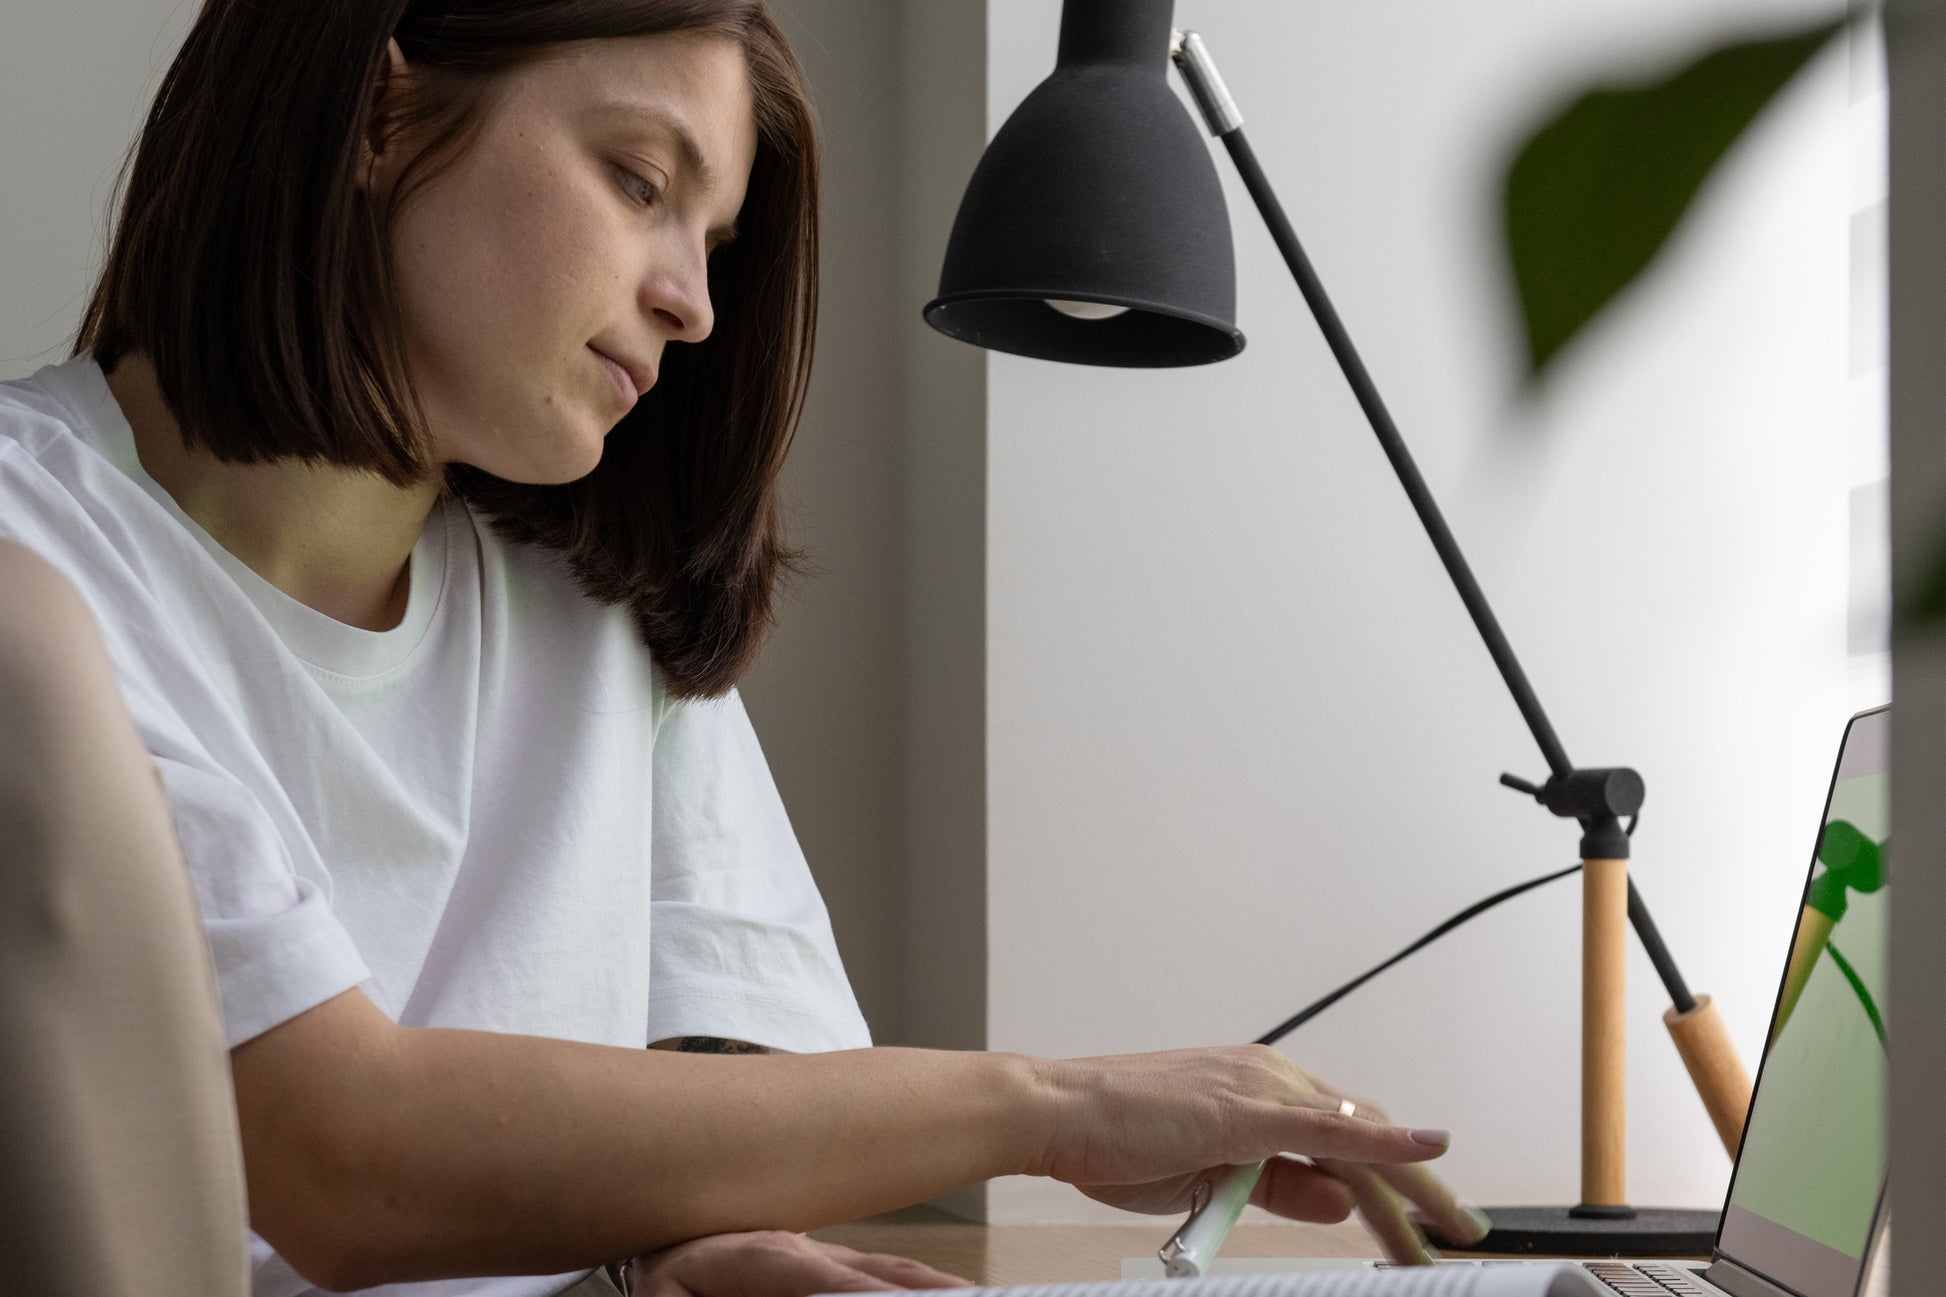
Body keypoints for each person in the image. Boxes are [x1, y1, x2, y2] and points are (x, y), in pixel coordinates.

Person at [0, 3, 1490, 1295]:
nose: (692, 302)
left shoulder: (583, 599)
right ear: (380, 112)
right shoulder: (33, 570)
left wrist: (654, 1251)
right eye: (638, 180)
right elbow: (338, 1152)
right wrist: (1063, 1102)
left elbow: (748, 1074)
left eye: (710, 241)